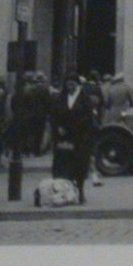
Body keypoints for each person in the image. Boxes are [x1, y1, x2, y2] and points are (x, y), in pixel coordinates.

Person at [51, 72, 98, 204]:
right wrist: (58, 128)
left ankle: (80, 190)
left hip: (80, 137)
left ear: (77, 85)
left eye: (72, 84)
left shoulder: (84, 99)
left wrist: (83, 131)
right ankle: (64, 192)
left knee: (79, 165)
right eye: (68, 84)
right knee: (64, 165)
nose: (70, 86)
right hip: (64, 138)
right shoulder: (61, 98)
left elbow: (89, 118)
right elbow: (54, 115)